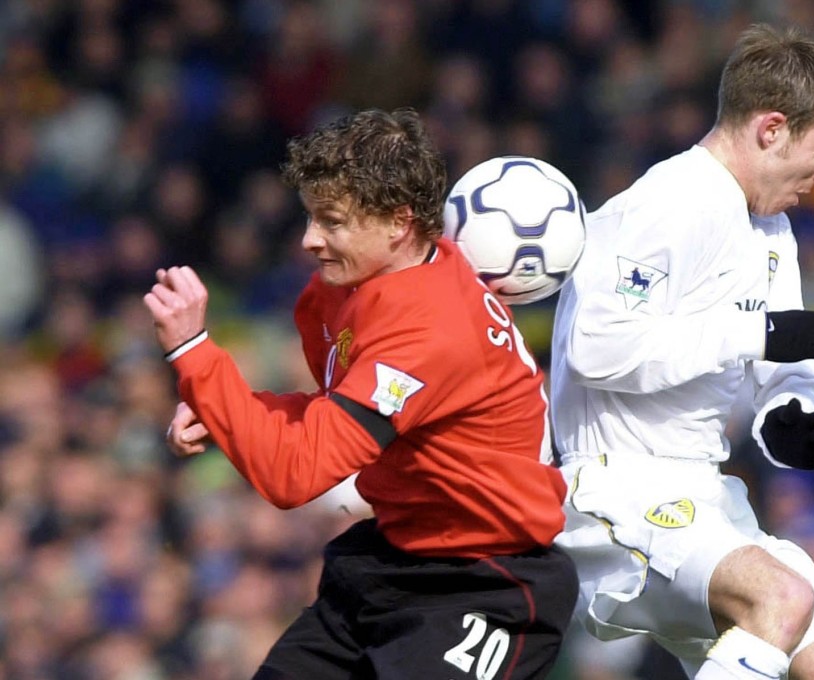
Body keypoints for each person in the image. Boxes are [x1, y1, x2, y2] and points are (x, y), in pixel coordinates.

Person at [143, 107, 578, 679]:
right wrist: (227, 410)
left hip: (484, 583)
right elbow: (336, 415)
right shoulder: (346, 287)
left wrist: (193, 352)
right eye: (310, 216)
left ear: (398, 222)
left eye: (331, 221)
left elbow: (294, 476)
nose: (309, 239)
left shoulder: (430, 330)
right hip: (393, 555)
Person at [550, 24, 814, 680]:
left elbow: (786, 359)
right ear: (771, 129)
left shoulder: (770, 229)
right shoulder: (669, 202)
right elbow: (596, 349)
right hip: (615, 493)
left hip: (707, 500)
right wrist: (758, 334)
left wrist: (786, 417)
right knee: (782, 598)